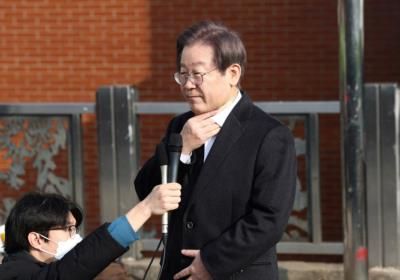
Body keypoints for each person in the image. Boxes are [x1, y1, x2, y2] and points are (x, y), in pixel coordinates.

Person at [134, 20, 297, 280]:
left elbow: (269, 219)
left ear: (232, 73)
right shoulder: (180, 125)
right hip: (175, 272)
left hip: (234, 273)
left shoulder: (269, 135)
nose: (187, 84)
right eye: (182, 74)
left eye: (197, 74)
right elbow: (145, 189)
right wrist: (183, 148)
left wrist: (211, 262)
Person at [0, 182, 181, 279]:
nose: (75, 236)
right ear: (37, 240)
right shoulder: (15, 273)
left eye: (75, 228)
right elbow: (77, 264)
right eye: (68, 229)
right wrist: (146, 208)